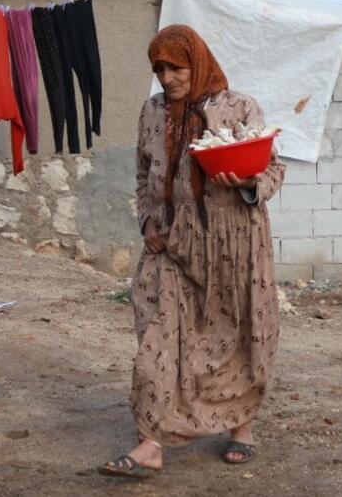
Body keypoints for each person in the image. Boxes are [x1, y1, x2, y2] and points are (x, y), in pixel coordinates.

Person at [100, 25, 285, 479]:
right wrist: (147, 221)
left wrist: (247, 183)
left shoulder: (238, 106)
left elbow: (273, 168)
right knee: (157, 337)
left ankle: (241, 427)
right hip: (170, 244)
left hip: (233, 242)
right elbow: (143, 174)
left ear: (196, 62)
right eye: (158, 68)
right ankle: (150, 443)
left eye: (174, 67)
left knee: (236, 332)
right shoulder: (152, 112)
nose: (166, 77)